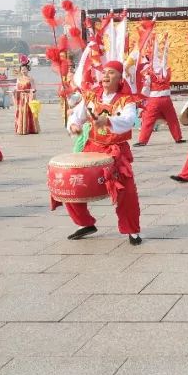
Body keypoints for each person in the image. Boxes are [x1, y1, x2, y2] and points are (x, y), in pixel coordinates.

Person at [59, 61, 143, 244]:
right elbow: (78, 115)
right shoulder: (92, 96)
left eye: (111, 72)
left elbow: (129, 121)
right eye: (104, 72)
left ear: (120, 78)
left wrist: (108, 121)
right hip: (91, 147)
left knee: (127, 191)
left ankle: (132, 229)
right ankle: (84, 223)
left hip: (116, 150)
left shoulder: (126, 100)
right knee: (70, 182)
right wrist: (73, 125)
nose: (105, 75)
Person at [135, 41, 184, 147]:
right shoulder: (166, 72)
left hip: (154, 100)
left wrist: (142, 99)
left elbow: (146, 88)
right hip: (166, 99)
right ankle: (178, 138)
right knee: (172, 119)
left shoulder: (149, 73)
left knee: (148, 120)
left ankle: (142, 140)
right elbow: (165, 61)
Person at [13, 62, 39, 135]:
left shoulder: (31, 79)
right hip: (21, 98)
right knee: (21, 112)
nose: (23, 71)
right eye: (22, 70)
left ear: (28, 70)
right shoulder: (18, 79)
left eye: (25, 69)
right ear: (20, 71)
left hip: (28, 97)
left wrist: (29, 90)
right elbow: (16, 88)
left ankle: (30, 129)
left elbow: (34, 89)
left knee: (29, 112)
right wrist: (14, 91)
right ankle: (22, 129)